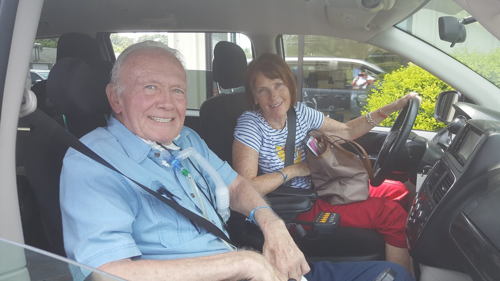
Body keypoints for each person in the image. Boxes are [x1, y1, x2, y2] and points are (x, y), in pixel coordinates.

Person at [60, 41, 414, 281]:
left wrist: (271, 226)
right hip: (237, 265)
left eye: (178, 90)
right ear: (115, 98)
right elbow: (104, 271)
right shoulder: (93, 162)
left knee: (390, 275)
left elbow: (237, 186)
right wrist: (244, 260)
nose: (167, 103)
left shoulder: (185, 139)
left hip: (246, 264)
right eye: (150, 87)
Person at [232, 53, 417, 273]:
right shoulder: (251, 125)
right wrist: (293, 171)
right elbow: (244, 189)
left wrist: (390, 108)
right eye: (263, 90)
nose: (273, 96)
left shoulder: (299, 113)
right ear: (254, 97)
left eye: (278, 85)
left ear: (290, 86)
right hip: (296, 205)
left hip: (321, 187)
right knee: (392, 214)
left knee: (400, 192)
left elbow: (347, 131)